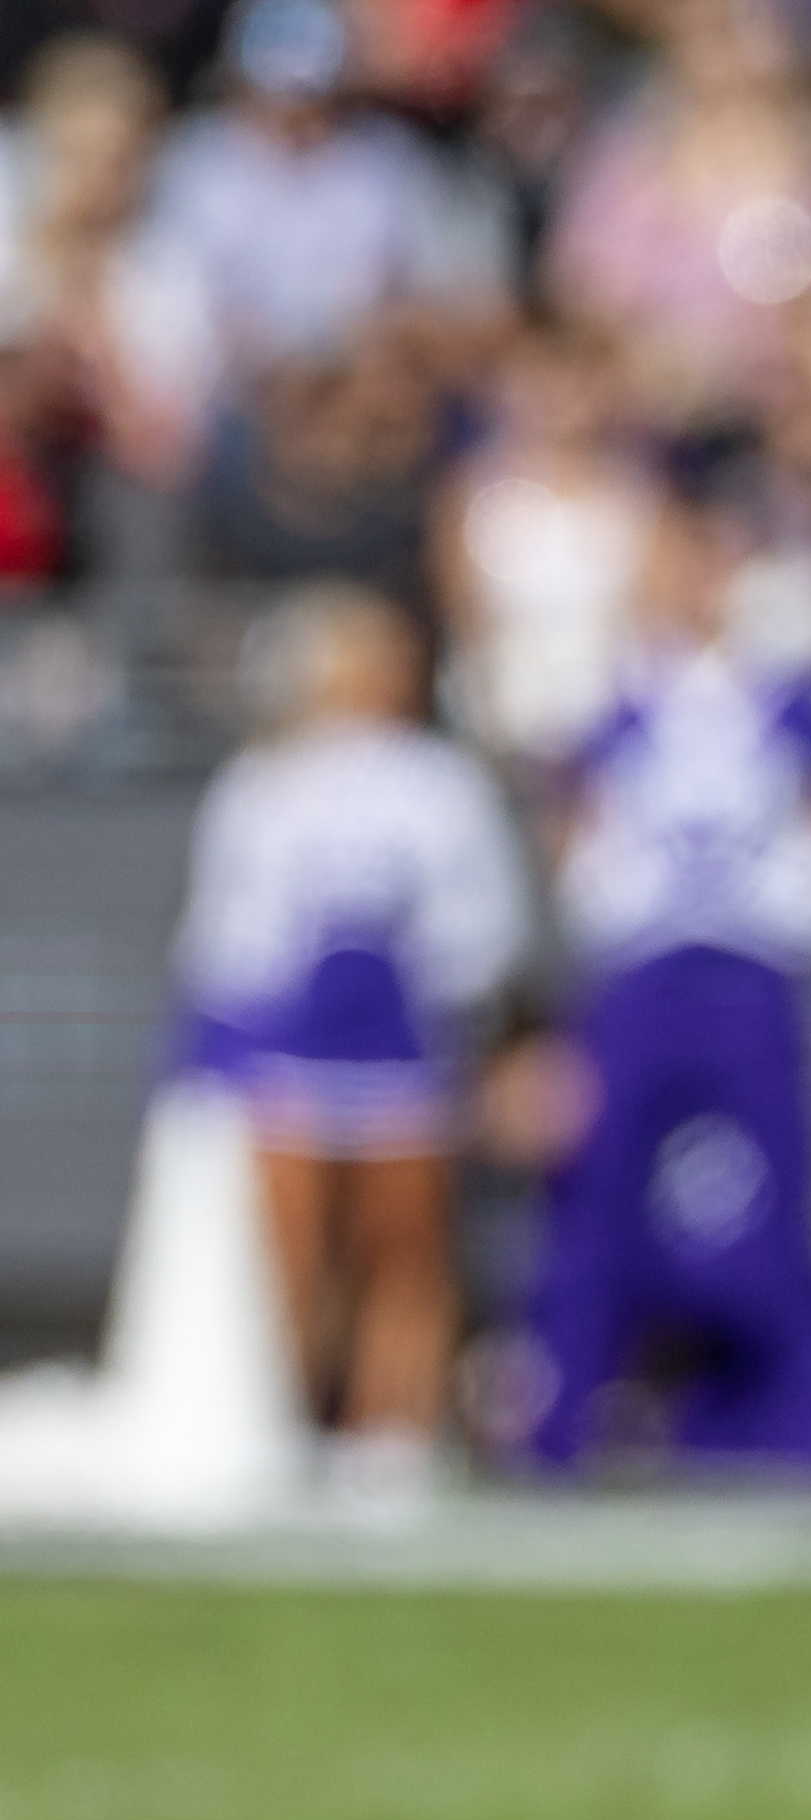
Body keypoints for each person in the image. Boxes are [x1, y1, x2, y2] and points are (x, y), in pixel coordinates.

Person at [520, 491, 811, 1474]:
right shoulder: (617, 689)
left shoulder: (780, 694)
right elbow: (565, 798)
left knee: (778, 1184)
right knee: (603, 1188)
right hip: (642, 969)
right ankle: (569, 1418)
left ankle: (800, 1421)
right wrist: (594, 889)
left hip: (753, 967)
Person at [168, 583, 527, 1504]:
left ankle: (390, 1443)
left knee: (402, 1258)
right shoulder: (264, 783)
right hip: (287, 1062)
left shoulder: (439, 783)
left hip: (404, 1061)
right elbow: (226, 936)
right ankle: (285, 1431)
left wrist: (435, 997)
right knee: (289, 1263)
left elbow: (485, 926)